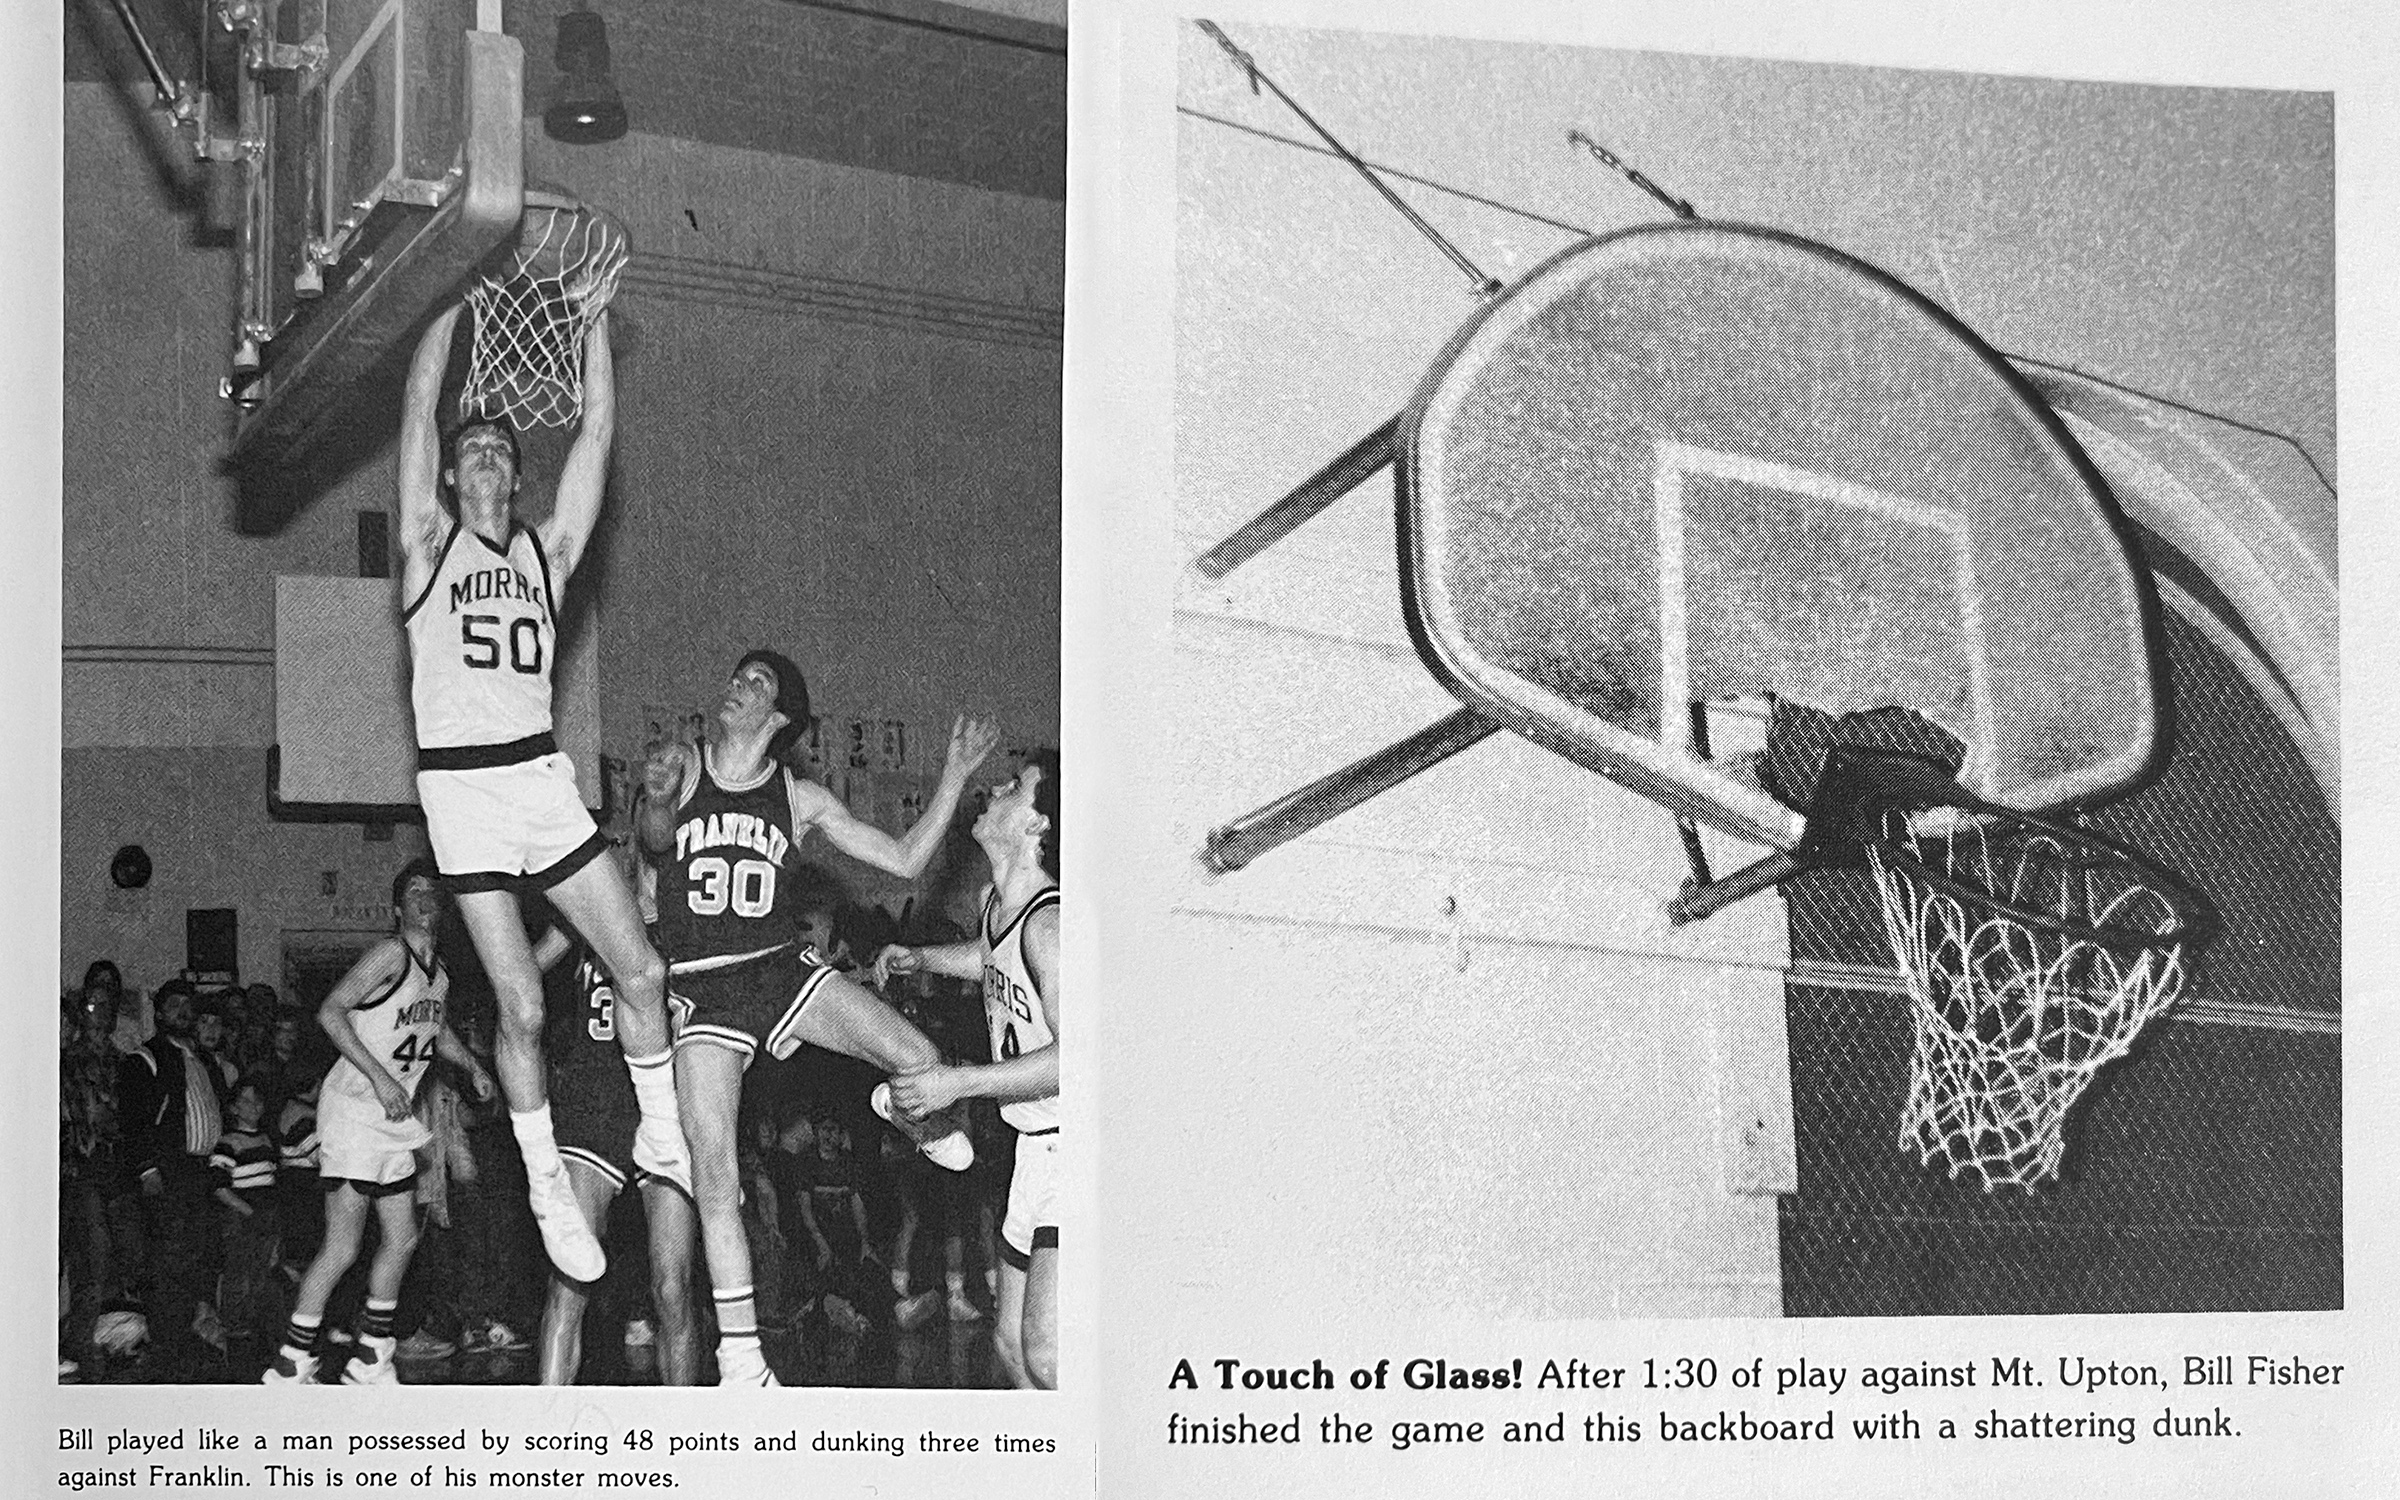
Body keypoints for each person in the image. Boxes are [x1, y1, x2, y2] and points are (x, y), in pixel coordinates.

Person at [396, 303, 685, 1284]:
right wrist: (444, 296)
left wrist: (596, 323)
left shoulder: (547, 555)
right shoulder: (428, 544)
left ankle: (659, 1131)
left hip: (539, 775)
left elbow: (596, 432)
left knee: (643, 973)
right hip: (464, 793)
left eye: (500, 451)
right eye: (469, 448)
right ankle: (545, 1182)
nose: (484, 455)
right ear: (450, 475)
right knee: (519, 1007)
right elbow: (417, 404)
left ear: (518, 478)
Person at [637, 650, 997, 1385]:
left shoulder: (798, 797)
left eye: (756, 683)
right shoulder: (686, 763)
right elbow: (653, 841)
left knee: (920, 1058)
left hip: (777, 968)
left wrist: (955, 776)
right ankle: (743, 1362)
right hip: (703, 986)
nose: (737, 686)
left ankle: (908, 1115)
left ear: (779, 717)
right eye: (736, 676)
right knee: (715, 1173)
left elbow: (904, 861)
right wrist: (656, 797)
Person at [264, 860, 496, 1384]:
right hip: (355, 1109)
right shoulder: (390, 955)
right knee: (343, 1245)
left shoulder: (439, 974)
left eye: (432, 892)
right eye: (414, 892)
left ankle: (371, 1355)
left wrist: (472, 1066)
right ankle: (290, 1361)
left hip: (392, 1117)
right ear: (397, 909)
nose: (425, 899)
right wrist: (381, 1078)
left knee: (403, 1238)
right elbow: (331, 1011)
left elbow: (435, 1030)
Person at [874, 751, 1060, 1388]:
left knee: (1045, 1351)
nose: (998, 787)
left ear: (1035, 824)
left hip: (1077, 1147)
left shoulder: (1051, 926)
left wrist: (960, 1082)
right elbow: (989, 959)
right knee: (1009, 1347)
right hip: (1032, 1147)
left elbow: (1079, 1060)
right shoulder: (998, 906)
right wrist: (921, 958)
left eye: (1016, 787)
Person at [534, 909, 703, 1387]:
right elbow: (522, 971)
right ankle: (544, 1421)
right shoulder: (585, 910)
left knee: (672, 1289)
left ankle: (684, 1424)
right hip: (595, 1099)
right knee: (569, 1281)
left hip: (667, 1098)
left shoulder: (686, 917)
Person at [118, 979, 229, 1379]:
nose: (183, 1011)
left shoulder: (205, 1060)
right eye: (174, 1004)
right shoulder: (145, 1059)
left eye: (188, 1004)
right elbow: (132, 1122)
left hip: (203, 1174)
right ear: (160, 1012)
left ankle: (191, 1346)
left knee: (200, 1260)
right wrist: (147, 1170)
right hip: (170, 1173)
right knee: (168, 1264)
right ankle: (167, 1353)